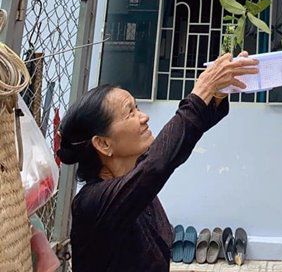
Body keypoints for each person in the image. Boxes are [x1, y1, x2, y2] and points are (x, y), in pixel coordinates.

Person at [57, 52, 259, 272]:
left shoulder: (136, 181)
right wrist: (201, 92)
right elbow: (157, 164)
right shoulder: (92, 203)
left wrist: (216, 95)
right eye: (130, 113)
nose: (144, 117)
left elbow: (170, 151)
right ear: (103, 144)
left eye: (137, 107)